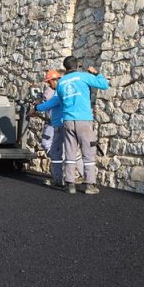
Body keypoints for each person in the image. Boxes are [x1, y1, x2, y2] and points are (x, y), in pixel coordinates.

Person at [36, 55, 109, 194]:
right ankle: (89, 185)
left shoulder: (61, 82)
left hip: (67, 121)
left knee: (69, 151)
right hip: (83, 119)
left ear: (65, 67)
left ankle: (70, 184)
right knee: (88, 152)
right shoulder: (84, 77)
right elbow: (104, 84)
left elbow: (57, 102)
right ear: (77, 65)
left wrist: (37, 108)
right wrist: (96, 73)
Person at [37, 69, 65, 188]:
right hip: (54, 123)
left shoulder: (56, 93)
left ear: (56, 79)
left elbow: (48, 105)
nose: (49, 84)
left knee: (48, 145)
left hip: (55, 123)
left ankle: (60, 170)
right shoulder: (55, 91)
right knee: (53, 146)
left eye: (50, 82)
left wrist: (36, 107)